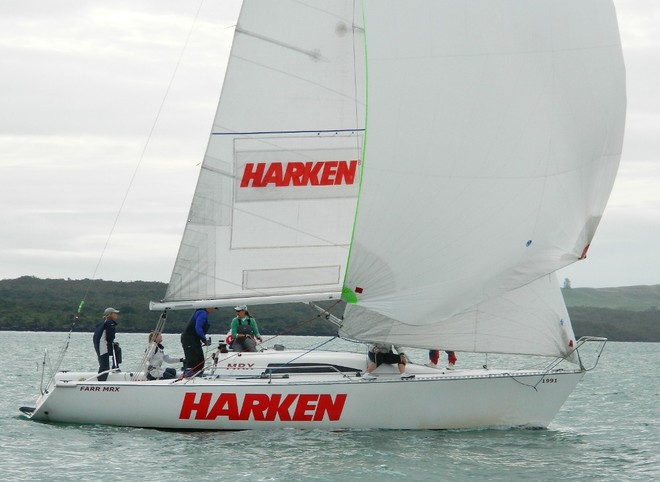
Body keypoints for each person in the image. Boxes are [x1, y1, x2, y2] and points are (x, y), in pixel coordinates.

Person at [180, 307, 215, 376]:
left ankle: (197, 374)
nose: (214, 310)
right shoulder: (202, 313)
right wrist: (204, 339)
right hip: (189, 338)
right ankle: (188, 375)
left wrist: (202, 339)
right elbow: (198, 327)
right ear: (209, 307)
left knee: (200, 360)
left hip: (195, 339)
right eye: (214, 308)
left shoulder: (202, 312)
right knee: (192, 359)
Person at [92, 307, 121, 381]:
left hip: (99, 344)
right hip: (102, 345)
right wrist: (111, 342)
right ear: (110, 314)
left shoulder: (102, 323)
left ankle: (115, 367)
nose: (117, 315)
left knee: (117, 349)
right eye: (115, 313)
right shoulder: (109, 323)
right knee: (105, 365)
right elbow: (110, 337)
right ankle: (101, 381)